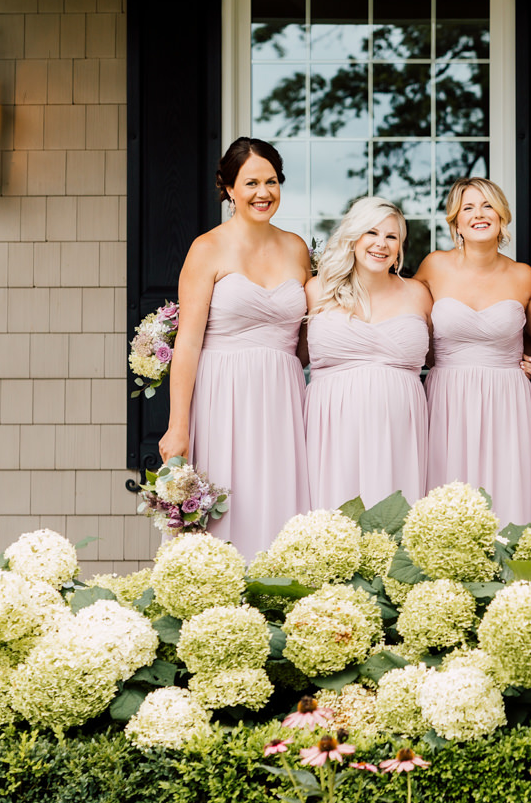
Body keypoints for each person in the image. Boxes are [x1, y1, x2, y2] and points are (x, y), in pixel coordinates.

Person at [158, 137, 310, 554]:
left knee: (279, 503)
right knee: (228, 509)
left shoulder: (297, 248)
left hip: (283, 397)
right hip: (223, 395)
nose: (264, 193)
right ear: (228, 188)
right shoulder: (207, 248)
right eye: (251, 183)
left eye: (272, 181)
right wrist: (178, 425)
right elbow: (188, 343)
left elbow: (307, 338)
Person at [414, 177, 531, 525]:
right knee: (448, 496)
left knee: (506, 494)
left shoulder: (524, 275)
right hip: (447, 395)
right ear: (456, 222)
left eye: (487, 206)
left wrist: (530, 359)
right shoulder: (433, 266)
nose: (478, 214)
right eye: (468, 208)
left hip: (507, 398)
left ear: (501, 215)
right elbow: (411, 324)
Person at [304, 197, 432, 510]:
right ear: (353, 238)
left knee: (395, 518)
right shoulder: (317, 290)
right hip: (332, 426)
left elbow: (446, 355)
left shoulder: (418, 294)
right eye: (371, 233)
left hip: (401, 430)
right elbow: (290, 352)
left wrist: (517, 357)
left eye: (391, 237)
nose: (381, 244)